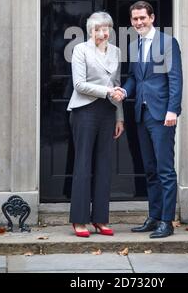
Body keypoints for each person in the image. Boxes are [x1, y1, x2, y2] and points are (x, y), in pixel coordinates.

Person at [114, 1, 183, 238]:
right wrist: (124, 91)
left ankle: (167, 221)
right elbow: (135, 78)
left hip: (162, 115)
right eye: (135, 19)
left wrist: (173, 110)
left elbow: (175, 79)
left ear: (152, 17)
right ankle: (154, 218)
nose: (139, 22)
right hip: (141, 115)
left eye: (142, 18)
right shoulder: (134, 46)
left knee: (165, 170)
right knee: (150, 169)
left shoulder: (167, 42)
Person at [67, 12, 124, 237]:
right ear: (90, 31)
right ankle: (79, 221)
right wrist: (108, 91)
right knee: (83, 165)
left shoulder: (117, 52)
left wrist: (120, 117)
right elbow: (79, 84)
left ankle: (100, 219)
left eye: (106, 28)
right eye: (98, 29)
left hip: (108, 112)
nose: (103, 33)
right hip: (84, 111)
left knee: (104, 165)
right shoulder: (81, 50)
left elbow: (117, 85)